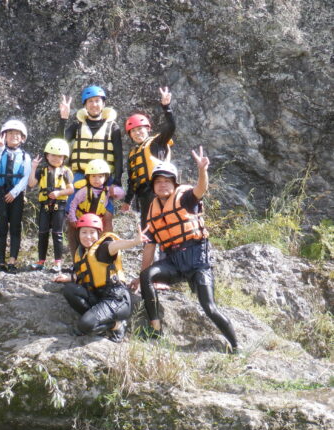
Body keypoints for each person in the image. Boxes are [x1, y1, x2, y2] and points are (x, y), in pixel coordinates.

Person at [139, 147, 238, 352]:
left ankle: (235, 346)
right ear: (153, 186)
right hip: (173, 262)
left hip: (197, 260)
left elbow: (200, 189)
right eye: (158, 181)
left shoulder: (185, 198)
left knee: (209, 307)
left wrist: (202, 170)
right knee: (147, 275)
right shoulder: (152, 211)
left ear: (174, 183)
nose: (162, 184)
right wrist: (139, 276)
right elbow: (149, 247)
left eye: (167, 180)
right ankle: (155, 328)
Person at [55, 213, 149, 343]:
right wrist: (68, 278)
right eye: (84, 232)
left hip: (116, 299)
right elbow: (86, 275)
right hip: (99, 297)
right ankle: (96, 319)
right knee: (69, 290)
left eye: (92, 232)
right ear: (78, 234)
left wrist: (134, 241)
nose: (88, 236)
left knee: (84, 326)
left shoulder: (103, 247)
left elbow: (116, 245)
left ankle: (117, 325)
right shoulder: (83, 253)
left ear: (98, 233)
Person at [121, 86, 176, 229]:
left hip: (158, 188)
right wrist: (128, 201)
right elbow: (132, 180)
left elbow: (171, 126)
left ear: (148, 129)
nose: (137, 133)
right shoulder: (133, 154)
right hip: (143, 195)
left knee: (161, 224)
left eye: (140, 129)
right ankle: (150, 250)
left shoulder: (157, 143)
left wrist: (166, 107)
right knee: (147, 228)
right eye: (133, 131)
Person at [0, 119, 31, 274]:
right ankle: (1, 262)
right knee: (1, 228)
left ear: (22, 138)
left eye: (17, 134)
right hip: (1, 192)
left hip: (17, 194)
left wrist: (14, 193)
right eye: (10, 133)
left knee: (15, 227)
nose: (14, 136)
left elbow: (26, 177)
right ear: (4, 136)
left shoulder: (25, 156)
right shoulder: (1, 152)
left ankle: (12, 260)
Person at [28, 138, 74, 273]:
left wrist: (59, 192)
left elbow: (71, 190)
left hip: (58, 206)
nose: (55, 158)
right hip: (44, 206)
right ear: (47, 155)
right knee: (42, 233)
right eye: (52, 155)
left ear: (64, 157)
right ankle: (41, 262)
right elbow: (31, 184)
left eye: (59, 156)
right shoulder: (42, 170)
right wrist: (33, 167)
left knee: (57, 233)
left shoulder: (66, 171)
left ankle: (58, 263)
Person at [67, 159, 125, 255]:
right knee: (82, 242)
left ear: (106, 178)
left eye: (100, 176)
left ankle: (98, 257)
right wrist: (73, 218)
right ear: (88, 177)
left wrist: (114, 190)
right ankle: (79, 260)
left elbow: (121, 194)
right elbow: (73, 204)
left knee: (97, 242)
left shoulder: (107, 191)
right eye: (93, 176)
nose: (97, 180)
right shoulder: (84, 191)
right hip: (83, 222)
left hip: (97, 223)